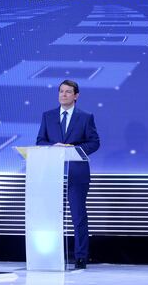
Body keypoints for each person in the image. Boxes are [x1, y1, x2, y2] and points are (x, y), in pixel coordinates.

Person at [36, 80, 100, 269]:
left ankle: (81, 257)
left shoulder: (86, 117)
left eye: (68, 92)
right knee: (48, 214)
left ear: (76, 96)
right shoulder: (48, 116)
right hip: (51, 172)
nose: (63, 95)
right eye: (61, 91)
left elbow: (94, 143)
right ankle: (48, 254)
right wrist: (53, 147)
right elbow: (40, 141)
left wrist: (73, 149)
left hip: (76, 172)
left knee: (78, 215)